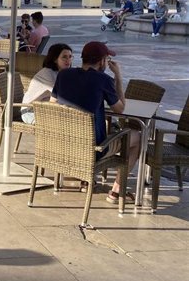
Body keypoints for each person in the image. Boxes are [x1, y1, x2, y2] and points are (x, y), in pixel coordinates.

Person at [51, 42, 139, 202]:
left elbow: (52, 104)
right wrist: (118, 76)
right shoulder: (103, 79)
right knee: (136, 137)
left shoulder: (63, 75)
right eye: (107, 58)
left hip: (63, 144)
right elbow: (120, 109)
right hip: (94, 150)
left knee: (103, 126)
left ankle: (85, 177)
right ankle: (117, 191)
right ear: (102, 61)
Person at [20, 44, 73, 124]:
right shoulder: (47, 73)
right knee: (66, 123)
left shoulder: (62, 73)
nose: (68, 60)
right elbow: (62, 95)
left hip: (45, 109)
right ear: (55, 59)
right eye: (64, 57)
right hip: (30, 111)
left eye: (70, 56)